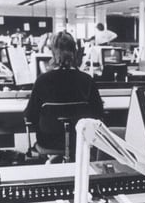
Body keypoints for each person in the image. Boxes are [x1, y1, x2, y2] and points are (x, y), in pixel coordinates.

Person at [24, 31, 104, 159]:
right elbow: (98, 114)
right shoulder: (87, 80)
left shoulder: (42, 80)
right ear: (75, 51)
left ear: (52, 52)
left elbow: (30, 116)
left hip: (48, 141)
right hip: (81, 139)